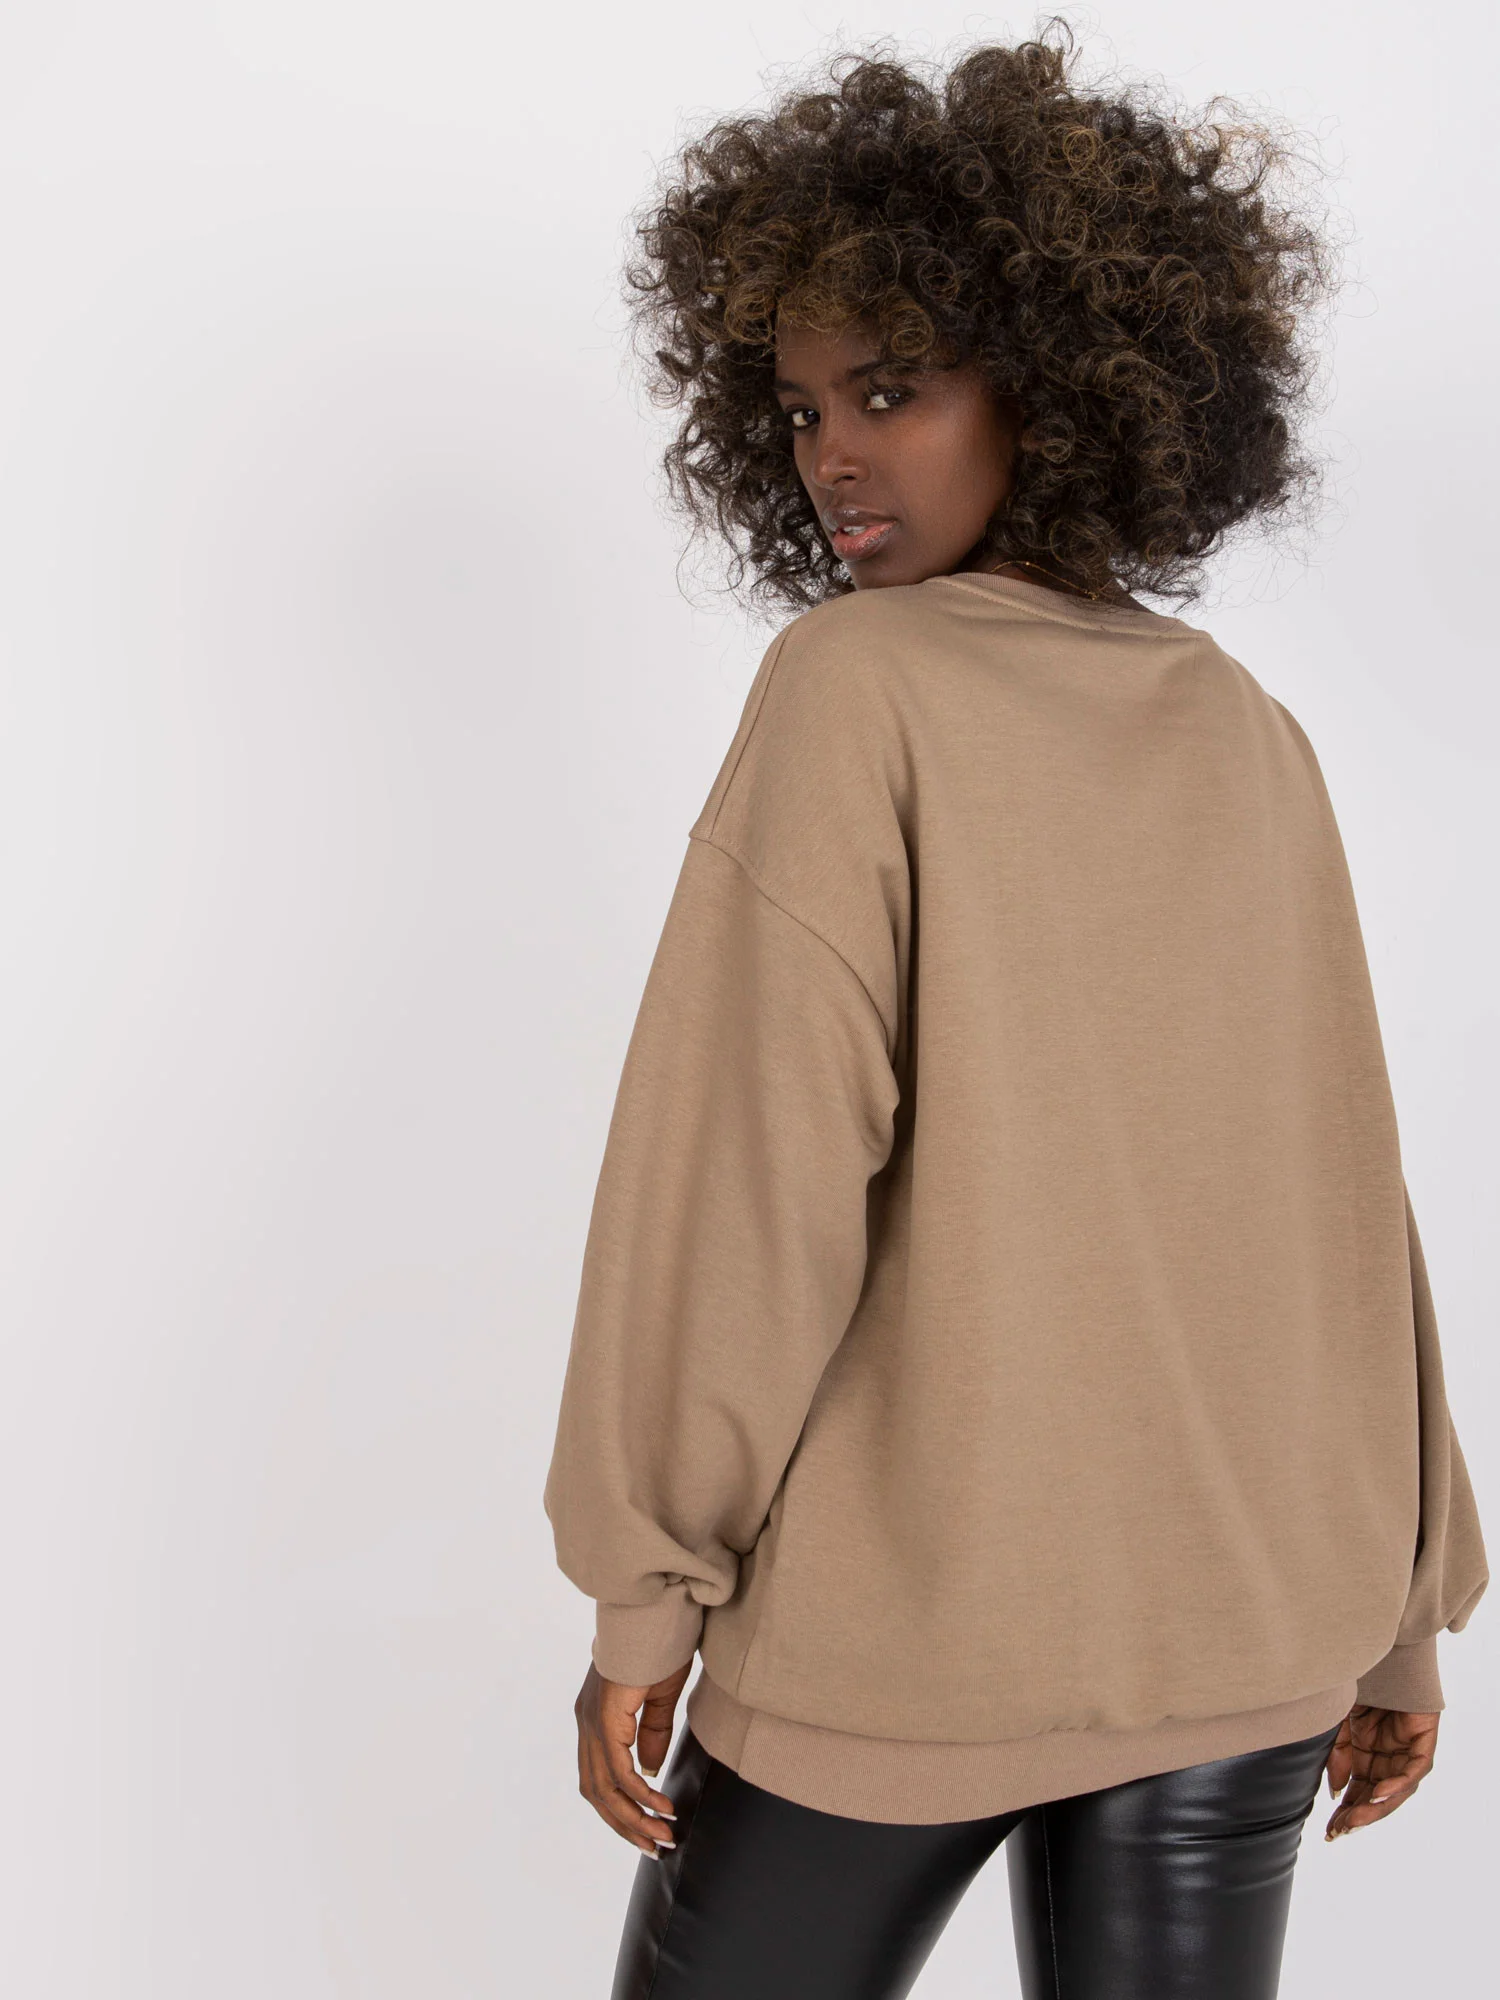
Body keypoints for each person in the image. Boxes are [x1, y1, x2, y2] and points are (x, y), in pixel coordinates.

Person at [542, 28, 1489, 1999]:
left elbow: (745, 1180)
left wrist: (648, 1583)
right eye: (801, 407)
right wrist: (1397, 1608)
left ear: (1052, 388)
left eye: (892, 390)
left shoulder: (856, 690)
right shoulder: (1244, 726)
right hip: (1250, 1634)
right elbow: (1344, 1199)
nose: (832, 454)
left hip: (910, 1655)